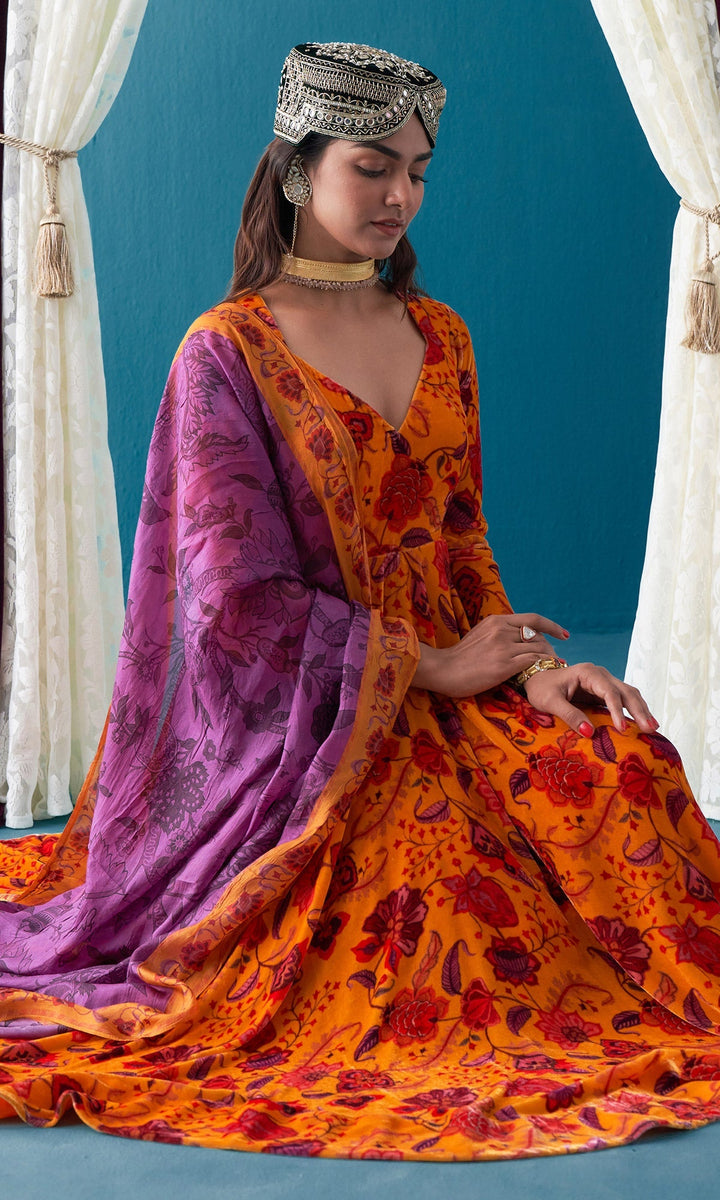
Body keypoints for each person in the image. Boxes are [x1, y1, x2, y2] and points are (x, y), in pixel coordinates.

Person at [0, 41, 719, 1159]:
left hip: (456, 690)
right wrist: (427, 668)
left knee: (624, 771)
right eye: (371, 166)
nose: (400, 196)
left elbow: (463, 545)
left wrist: (536, 670)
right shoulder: (226, 355)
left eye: (418, 171)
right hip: (305, 731)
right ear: (298, 169)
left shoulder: (443, 336)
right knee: (431, 885)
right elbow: (232, 606)